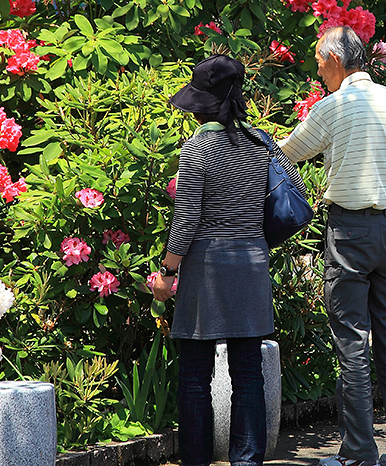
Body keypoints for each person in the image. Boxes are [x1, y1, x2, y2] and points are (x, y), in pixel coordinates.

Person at [279, 25, 386, 466]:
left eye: (318, 62)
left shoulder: (334, 106)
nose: (316, 71)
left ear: (333, 59)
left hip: (349, 232)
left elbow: (287, 154)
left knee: (351, 343)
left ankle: (359, 453)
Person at [152, 53, 306, 466]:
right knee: (248, 373)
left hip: (207, 269)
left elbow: (186, 221)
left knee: (195, 377)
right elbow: (290, 189)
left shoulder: (197, 149)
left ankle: (198, 460)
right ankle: (247, 461)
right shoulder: (263, 142)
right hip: (252, 264)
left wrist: (167, 272)